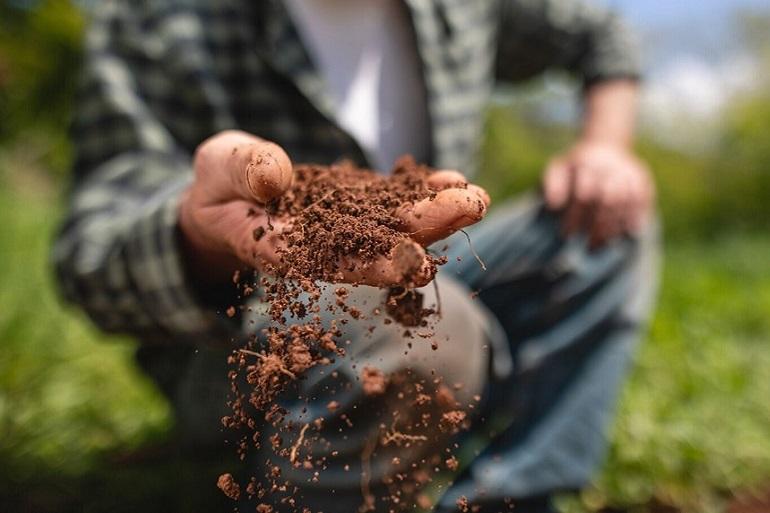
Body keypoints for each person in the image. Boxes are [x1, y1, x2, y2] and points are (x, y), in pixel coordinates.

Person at [54, 1, 659, 512]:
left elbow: (600, 33)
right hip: (245, 332)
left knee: (604, 221)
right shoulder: (160, 16)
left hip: (432, 265)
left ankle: (510, 491)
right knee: (426, 326)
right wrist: (200, 230)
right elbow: (90, 249)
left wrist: (605, 149)